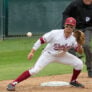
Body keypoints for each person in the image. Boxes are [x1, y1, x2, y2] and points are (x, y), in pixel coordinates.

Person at [7, 17, 85, 91]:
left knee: (79, 63)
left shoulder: (74, 38)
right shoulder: (55, 33)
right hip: (48, 55)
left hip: (62, 55)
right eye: (67, 25)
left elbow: (79, 51)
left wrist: (80, 44)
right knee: (35, 70)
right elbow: (41, 40)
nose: (69, 27)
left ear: (74, 27)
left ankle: (73, 81)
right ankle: (13, 83)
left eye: (71, 26)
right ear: (64, 25)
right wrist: (32, 52)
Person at [62, 0, 92, 77]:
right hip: (75, 28)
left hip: (88, 28)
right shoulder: (75, 4)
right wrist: (65, 25)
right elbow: (65, 13)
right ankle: (77, 59)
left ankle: (90, 68)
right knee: (69, 46)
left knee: (86, 46)